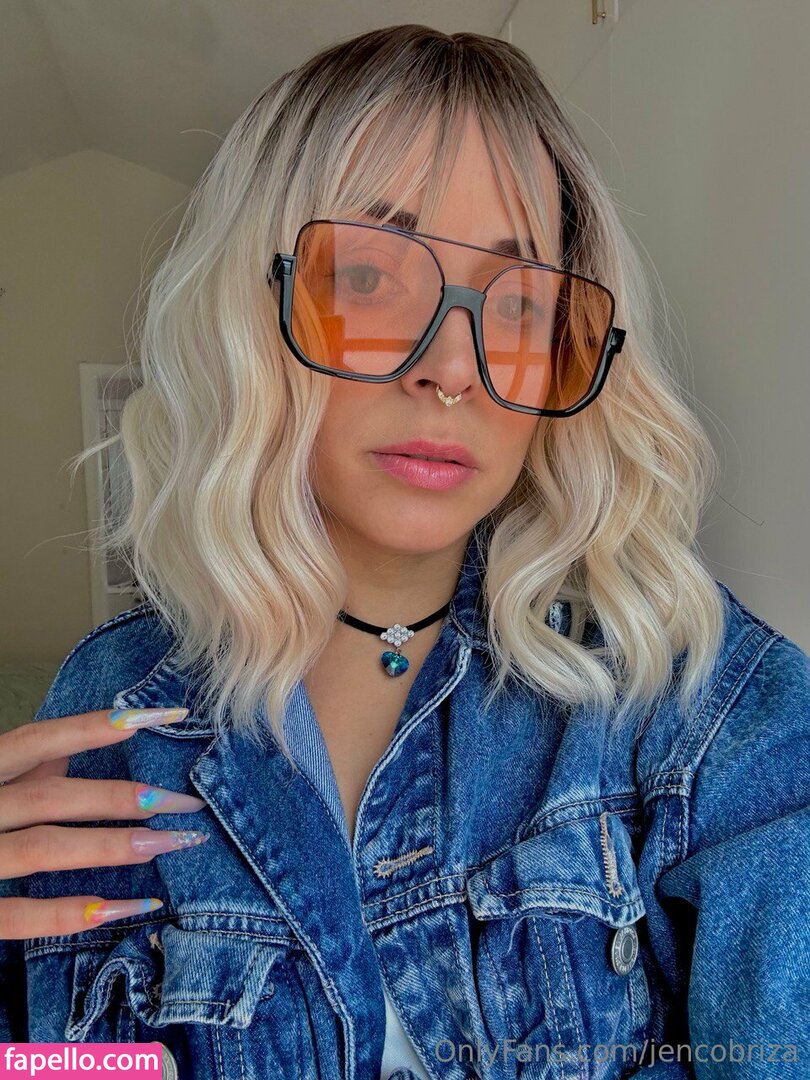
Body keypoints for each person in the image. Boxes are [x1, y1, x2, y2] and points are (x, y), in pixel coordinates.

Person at [1, 23, 808, 1080]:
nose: (452, 370)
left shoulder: (681, 691)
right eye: (372, 277)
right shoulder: (112, 705)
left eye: (517, 303)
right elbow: (54, 1063)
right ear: (255, 305)